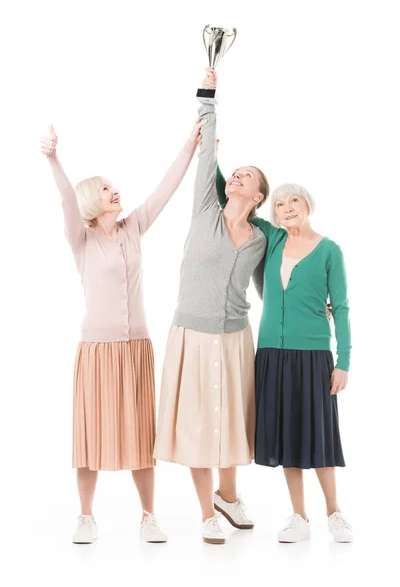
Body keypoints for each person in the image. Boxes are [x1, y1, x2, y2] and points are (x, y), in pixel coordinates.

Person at [40, 118, 204, 544]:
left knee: (140, 433)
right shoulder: (82, 239)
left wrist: (190, 143)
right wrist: (54, 158)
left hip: (135, 349)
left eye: (115, 187)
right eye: (107, 189)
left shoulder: (133, 227)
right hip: (97, 349)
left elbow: (166, 189)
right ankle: (86, 517)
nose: (116, 191)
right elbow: (64, 202)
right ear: (94, 201)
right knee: (90, 432)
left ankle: (149, 515)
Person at [154, 68, 269, 545]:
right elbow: (208, 151)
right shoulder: (206, 207)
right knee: (201, 423)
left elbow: (274, 286)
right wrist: (209, 94)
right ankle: (207, 513)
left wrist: (316, 310)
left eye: (247, 175)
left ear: (259, 196)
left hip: (237, 335)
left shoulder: (263, 239)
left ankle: (228, 494)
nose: (236, 174)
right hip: (193, 333)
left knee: (231, 420)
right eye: (235, 172)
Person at [215, 171, 353, 543]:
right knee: (291, 438)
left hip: (313, 355)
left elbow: (340, 308)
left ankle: (334, 513)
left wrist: (344, 361)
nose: (287, 208)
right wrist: (210, 147)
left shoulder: (329, 250)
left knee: (320, 438)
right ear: (271, 212)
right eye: (279, 203)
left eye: (294, 201)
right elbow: (228, 195)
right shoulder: (271, 239)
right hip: (272, 355)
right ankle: (299, 517)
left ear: (307, 206)